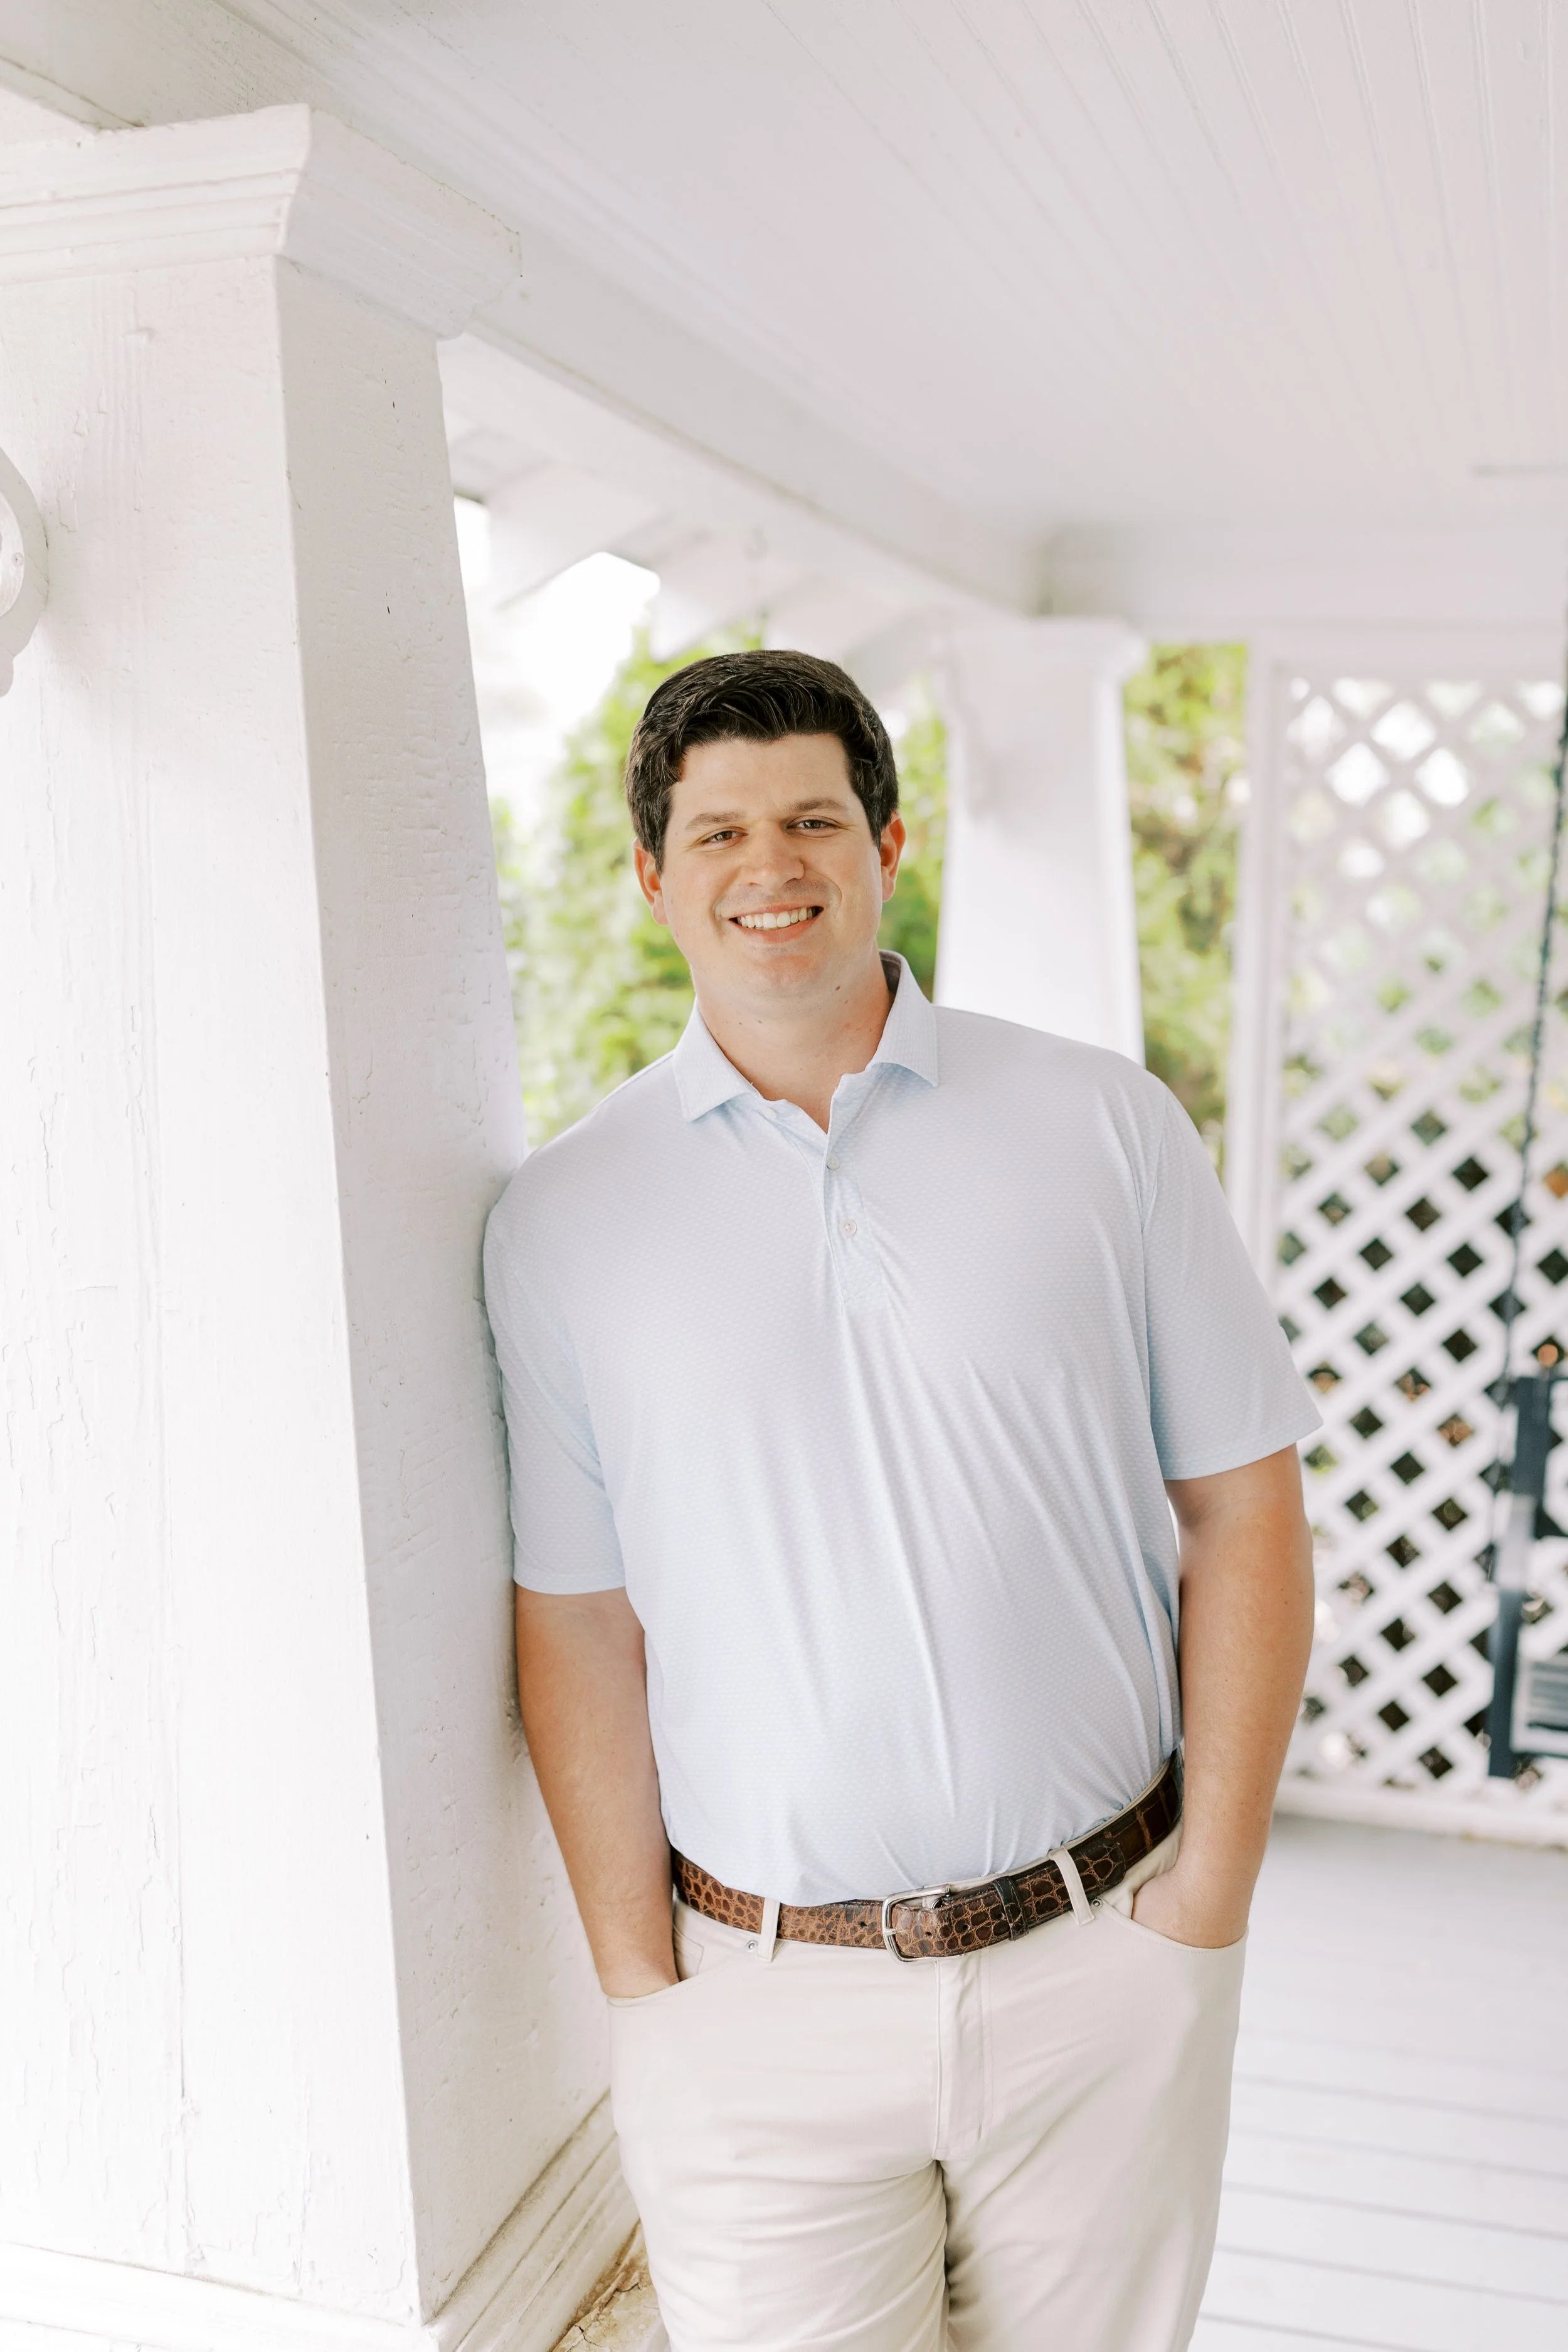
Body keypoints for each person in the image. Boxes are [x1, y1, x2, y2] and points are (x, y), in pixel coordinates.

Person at [483, 649, 1318, 2352]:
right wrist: (648, 1993)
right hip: (756, 2010)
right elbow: (574, 1617)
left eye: (809, 818)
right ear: (651, 876)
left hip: (1106, 1959)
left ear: (889, 842)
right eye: (715, 832)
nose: (767, 865)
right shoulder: (563, 1219)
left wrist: (1202, 1902)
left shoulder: (1102, 1125)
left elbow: (1245, 1503)